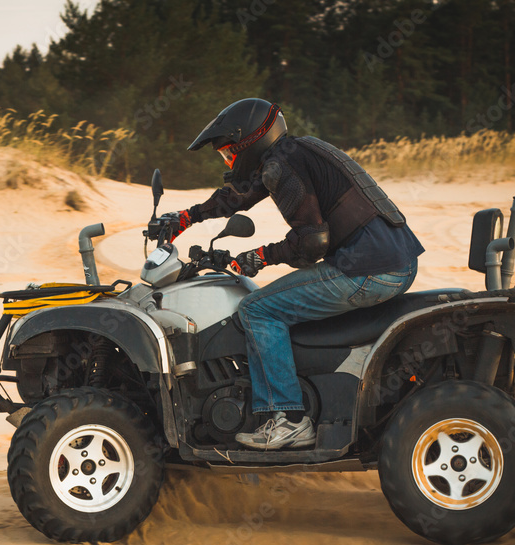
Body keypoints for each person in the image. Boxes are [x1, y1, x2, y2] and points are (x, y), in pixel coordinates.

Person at [161, 98, 424, 451]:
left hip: (369, 269)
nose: (228, 162)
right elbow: (240, 196)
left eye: (228, 153)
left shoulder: (281, 165)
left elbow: (312, 242)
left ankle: (289, 419)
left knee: (257, 309)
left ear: (249, 142)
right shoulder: (295, 151)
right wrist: (187, 216)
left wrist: (262, 256)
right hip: (394, 260)